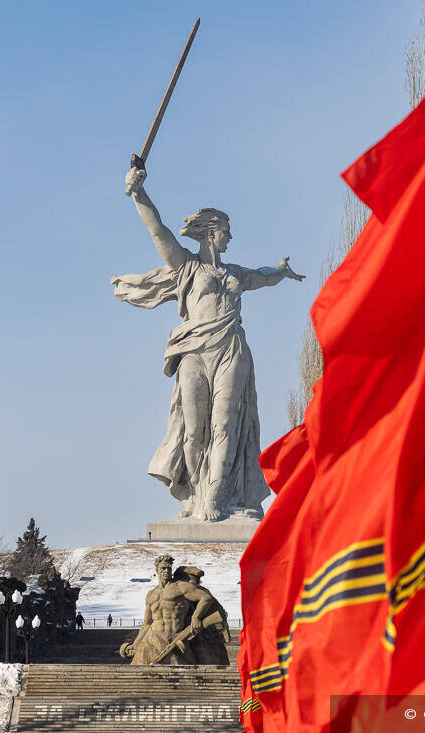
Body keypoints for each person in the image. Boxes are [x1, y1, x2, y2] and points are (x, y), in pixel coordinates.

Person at [114, 167, 304, 521]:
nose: (230, 239)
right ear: (211, 234)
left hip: (231, 349)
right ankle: (196, 495)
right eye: (227, 233)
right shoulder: (187, 267)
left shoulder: (235, 273)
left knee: (225, 424)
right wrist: (139, 194)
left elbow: (263, 276)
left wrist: (281, 270)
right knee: (193, 428)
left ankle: (216, 498)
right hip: (194, 352)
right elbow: (159, 232)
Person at [122, 554, 214, 664]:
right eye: (163, 568)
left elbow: (206, 598)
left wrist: (196, 617)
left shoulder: (180, 587)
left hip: (174, 639)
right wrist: (135, 644)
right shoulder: (151, 594)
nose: (166, 571)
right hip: (151, 640)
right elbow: (147, 623)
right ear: (157, 570)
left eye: (169, 568)